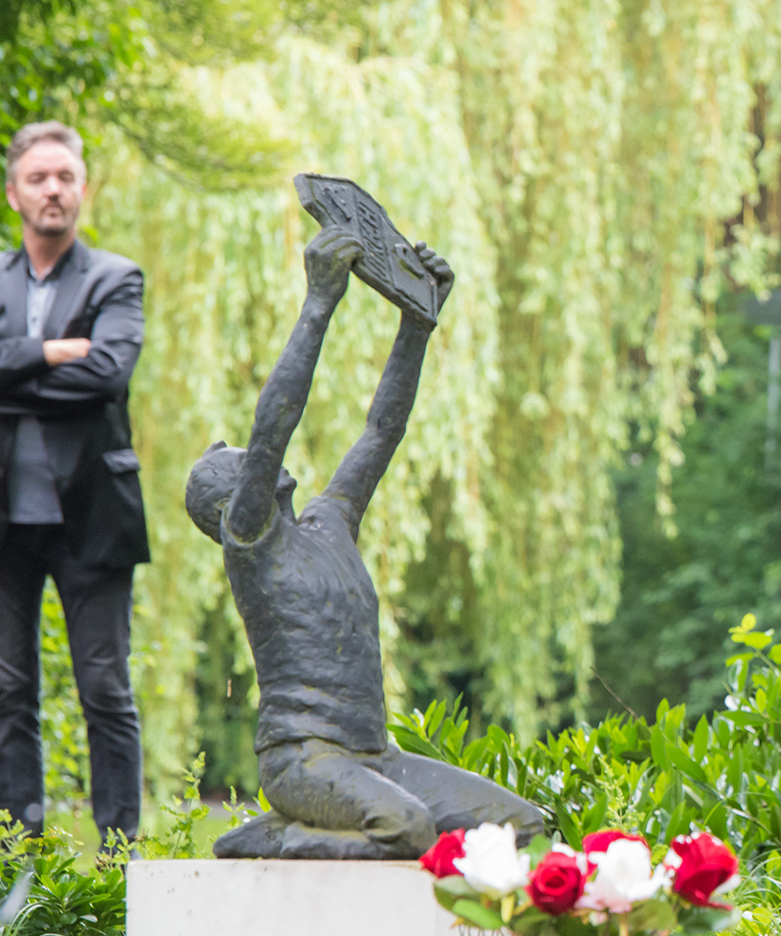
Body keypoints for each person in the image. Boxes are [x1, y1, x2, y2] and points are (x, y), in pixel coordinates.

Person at [188, 224, 544, 858]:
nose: (259, 460)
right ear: (228, 503)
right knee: (406, 829)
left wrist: (418, 323)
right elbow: (274, 425)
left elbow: (383, 429)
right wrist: (318, 303)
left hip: (375, 755)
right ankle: (285, 836)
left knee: (523, 826)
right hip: (305, 759)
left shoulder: (331, 524)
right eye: (244, 465)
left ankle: (314, 831)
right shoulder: (249, 542)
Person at [0, 122, 150, 846]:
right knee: (7, 694)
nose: (53, 188)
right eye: (38, 178)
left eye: (64, 175)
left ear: (83, 186)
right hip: (6, 523)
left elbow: (109, 374)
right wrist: (51, 352)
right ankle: (16, 861)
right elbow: (79, 376)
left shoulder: (115, 278)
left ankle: (121, 862)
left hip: (93, 515)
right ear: (14, 192)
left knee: (105, 691)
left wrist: (12, 370)